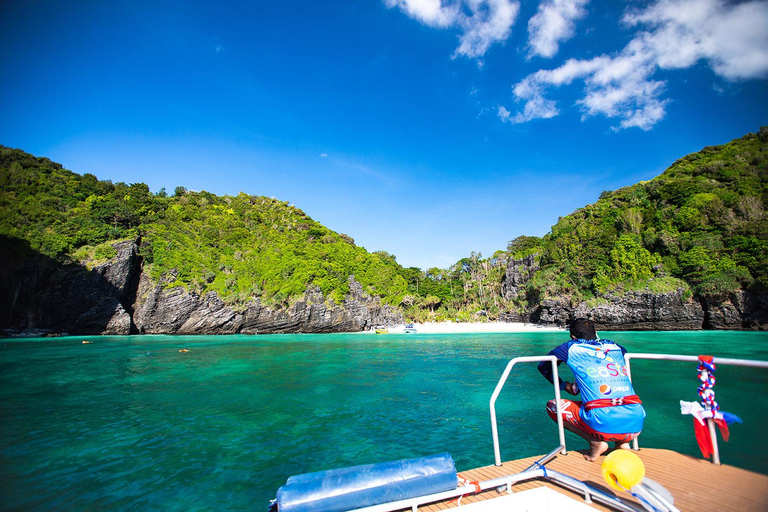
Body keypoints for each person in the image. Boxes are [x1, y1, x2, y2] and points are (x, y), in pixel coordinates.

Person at [538, 318, 645, 461]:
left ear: (572, 337)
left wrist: (564, 385)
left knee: (553, 406)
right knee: (613, 402)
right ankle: (623, 443)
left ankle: (595, 443)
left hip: (603, 421)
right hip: (636, 422)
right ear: (595, 332)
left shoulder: (570, 348)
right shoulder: (616, 347)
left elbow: (544, 366)